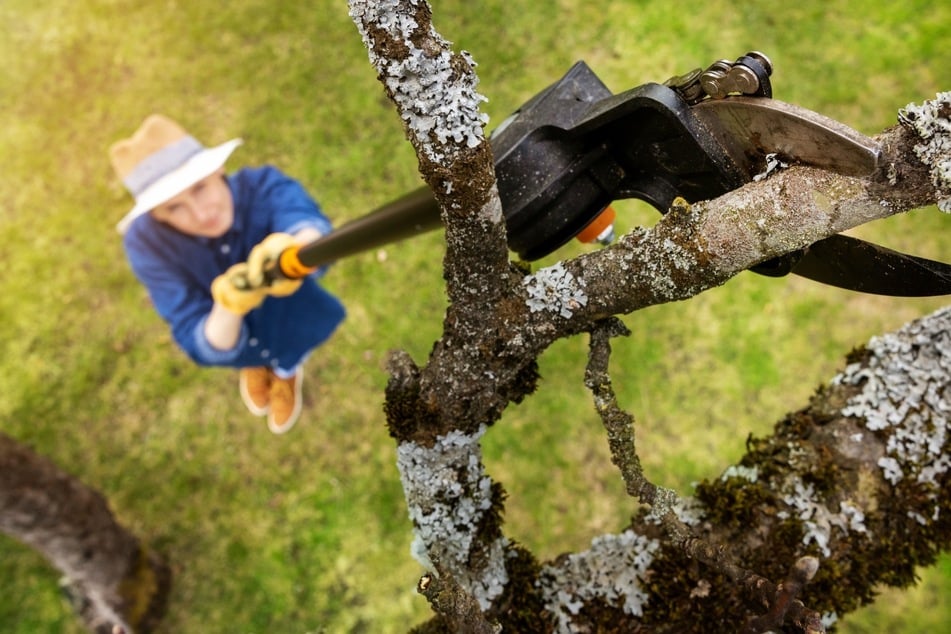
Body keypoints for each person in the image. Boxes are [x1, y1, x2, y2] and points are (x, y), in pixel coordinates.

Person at [109, 114, 346, 434]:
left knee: (292, 352)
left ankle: (287, 373)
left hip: (291, 317)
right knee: (243, 351)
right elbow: (192, 326)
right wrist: (228, 306)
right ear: (155, 214)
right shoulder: (146, 243)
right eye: (174, 208)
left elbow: (306, 224)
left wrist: (292, 252)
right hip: (228, 332)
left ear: (216, 169)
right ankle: (253, 365)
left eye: (200, 188)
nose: (201, 213)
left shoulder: (264, 186)